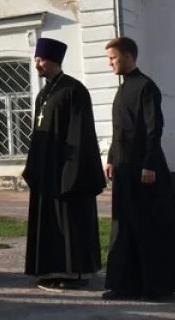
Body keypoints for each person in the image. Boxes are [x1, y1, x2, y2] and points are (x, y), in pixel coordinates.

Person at [103, 36, 175, 301]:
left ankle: (157, 286)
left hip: (144, 169)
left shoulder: (146, 87)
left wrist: (148, 165)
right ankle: (125, 284)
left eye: (112, 58)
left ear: (127, 55)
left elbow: (153, 129)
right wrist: (111, 158)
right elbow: (118, 130)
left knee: (149, 226)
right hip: (124, 168)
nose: (109, 63)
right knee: (124, 227)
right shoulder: (122, 89)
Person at [22, 38, 106, 291]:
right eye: (36, 59)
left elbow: (81, 134)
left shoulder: (74, 90)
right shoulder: (45, 93)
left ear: (54, 61)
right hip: (46, 171)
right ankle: (51, 268)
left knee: (71, 221)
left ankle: (74, 272)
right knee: (50, 222)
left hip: (68, 170)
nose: (37, 64)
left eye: (41, 60)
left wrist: (74, 171)